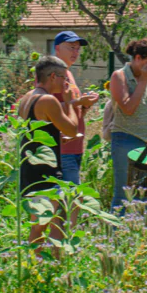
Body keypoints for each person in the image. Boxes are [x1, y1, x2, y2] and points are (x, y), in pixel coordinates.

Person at [16, 56, 84, 251]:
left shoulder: (27, 97)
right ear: (53, 76)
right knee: (40, 225)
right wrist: (70, 103)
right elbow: (72, 129)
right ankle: (35, 268)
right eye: (64, 78)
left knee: (52, 220)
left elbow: (34, 133)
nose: (66, 83)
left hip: (30, 166)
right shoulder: (48, 100)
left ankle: (52, 266)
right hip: (44, 171)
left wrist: (56, 138)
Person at [108, 38, 147, 210]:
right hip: (126, 138)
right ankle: (114, 233)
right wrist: (142, 81)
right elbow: (128, 108)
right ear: (138, 58)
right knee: (124, 193)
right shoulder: (120, 76)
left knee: (144, 195)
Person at [52, 31, 100, 185]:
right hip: (62, 148)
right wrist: (79, 102)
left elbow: (71, 111)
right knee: (72, 198)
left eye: (78, 49)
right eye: (71, 47)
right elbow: (47, 109)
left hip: (75, 147)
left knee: (69, 199)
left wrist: (85, 106)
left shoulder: (68, 73)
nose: (76, 52)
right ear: (58, 48)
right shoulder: (51, 74)